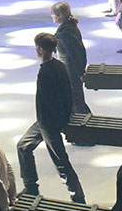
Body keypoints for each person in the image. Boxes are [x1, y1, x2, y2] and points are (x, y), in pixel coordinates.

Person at [17, 33, 79, 200]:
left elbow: (47, 101)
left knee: (61, 161)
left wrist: (52, 124)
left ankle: (78, 197)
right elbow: (68, 94)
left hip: (48, 123)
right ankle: (31, 187)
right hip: (49, 120)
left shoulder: (46, 72)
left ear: (41, 49)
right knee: (23, 146)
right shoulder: (59, 65)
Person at [51, 1, 90, 115]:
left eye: (53, 14)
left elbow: (74, 53)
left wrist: (79, 71)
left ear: (60, 15)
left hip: (69, 69)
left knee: (74, 98)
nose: (52, 16)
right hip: (72, 68)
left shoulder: (64, 33)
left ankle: (81, 120)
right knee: (76, 98)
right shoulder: (71, 26)